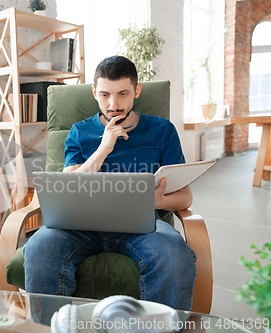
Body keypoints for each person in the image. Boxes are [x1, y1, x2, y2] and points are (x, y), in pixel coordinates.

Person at [22, 55, 197, 316]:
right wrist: (103, 148)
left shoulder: (162, 131)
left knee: (174, 256)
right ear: (95, 92)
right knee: (38, 249)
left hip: (142, 227)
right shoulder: (80, 132)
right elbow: (69, 185)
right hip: (78, 226)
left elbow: (185, 197)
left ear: (137, 91)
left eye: (123, 94)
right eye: (104, 95)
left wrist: (158, 202)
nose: (113, 105)